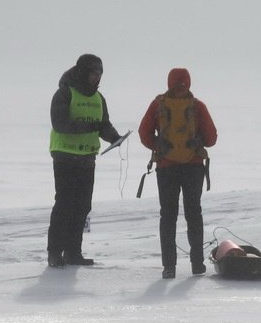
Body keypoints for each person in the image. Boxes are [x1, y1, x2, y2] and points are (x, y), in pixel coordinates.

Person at [138, 67, 217, 279]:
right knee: (194, 214)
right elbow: (211, 138)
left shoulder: (158, 105)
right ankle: (197, 265)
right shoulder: (197, 106)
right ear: (189, 82)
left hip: (166, 167)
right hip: (193, 167)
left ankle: (169, 267)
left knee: (168, 216)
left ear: (169, 82)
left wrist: (160, 146)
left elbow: (144, 133)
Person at [47, 53, 124, 268]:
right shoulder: (64, 93)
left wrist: (115, 137)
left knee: (82, 206)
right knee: (64, 204)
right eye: (93, 74)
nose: (97, 78)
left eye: (99, 74)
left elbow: (103, 125)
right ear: (83, 72)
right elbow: (60, 124)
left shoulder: (99, 99)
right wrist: (88, 127)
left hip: (87, 159)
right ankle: (54, 253)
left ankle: (73, 252)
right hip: (64, 157)